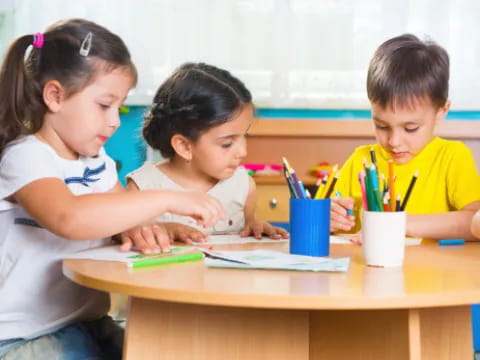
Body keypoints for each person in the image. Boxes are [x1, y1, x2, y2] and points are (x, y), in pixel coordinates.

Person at [0, 19, 223, 359]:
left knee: (159, 350)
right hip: (23, 337)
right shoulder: (26, 156)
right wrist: (168, 198)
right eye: (104, 105)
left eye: (118, 108)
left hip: (86, 322)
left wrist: (157, 228)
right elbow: (69, 218)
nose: (115, 121)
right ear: (55, 96)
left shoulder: (95, 160)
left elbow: (119, 217)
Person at [330, 34, 480, 242]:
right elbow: (322, 218)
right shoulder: (361, 160)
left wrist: (399, 224)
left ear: (441, 111)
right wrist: (328, 216)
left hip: (433, 272)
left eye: (410, 128)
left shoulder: (452, 158)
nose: (394, 141)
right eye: (382, 126)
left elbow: (475, 222)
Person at [125, 62, 289, 241]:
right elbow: (125, 233)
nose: (242, 151)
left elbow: (247, 232)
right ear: (184, 146)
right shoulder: (144, 185)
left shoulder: (243, 186)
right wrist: (166, 229)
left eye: (244, 137)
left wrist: (255, 225)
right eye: (227, 143)